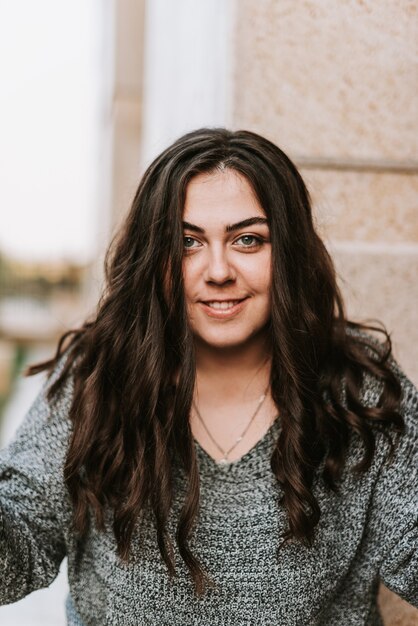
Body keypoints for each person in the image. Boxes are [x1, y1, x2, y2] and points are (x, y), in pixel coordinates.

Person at [0, 128, 417, 625]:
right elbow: (17, 546)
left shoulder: (356, 388)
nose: (217, 270)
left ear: (288, 252)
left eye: (247, 240)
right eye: (187, 242)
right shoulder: (98, 378)